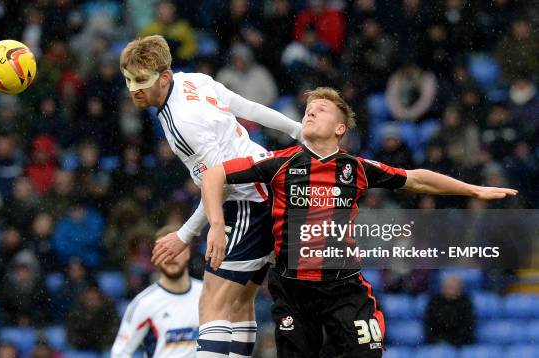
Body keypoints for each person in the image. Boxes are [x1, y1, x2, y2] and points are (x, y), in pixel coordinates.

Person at [201, 87, 517, 357]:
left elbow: (417, 180)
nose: (309, 114)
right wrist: (216, 224)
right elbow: (215, 174)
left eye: (320, 110)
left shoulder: (356, 168)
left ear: (340, 128)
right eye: (308, 110)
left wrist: (473, 189)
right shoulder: (279, 162)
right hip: (293, 287)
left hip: (343, 287)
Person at [121, 35, 303, 357]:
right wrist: (296, 130)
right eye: (128, 80)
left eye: (141, 80)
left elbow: (219, 182)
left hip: (247, 200)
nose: (133, 88)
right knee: (241, 300)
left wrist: (186, 234)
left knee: (212, 301)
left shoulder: (182, 123)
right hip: (267, 188)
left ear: (164, 77)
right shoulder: (194, 80)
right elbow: (247, 108)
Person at [111, 225, 202, 358]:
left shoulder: (208, 294)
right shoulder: (144, 303)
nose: (170, 256)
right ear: (154, 254)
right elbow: (120, 353)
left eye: (178, 249)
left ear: (188, 251)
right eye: (163, 250)